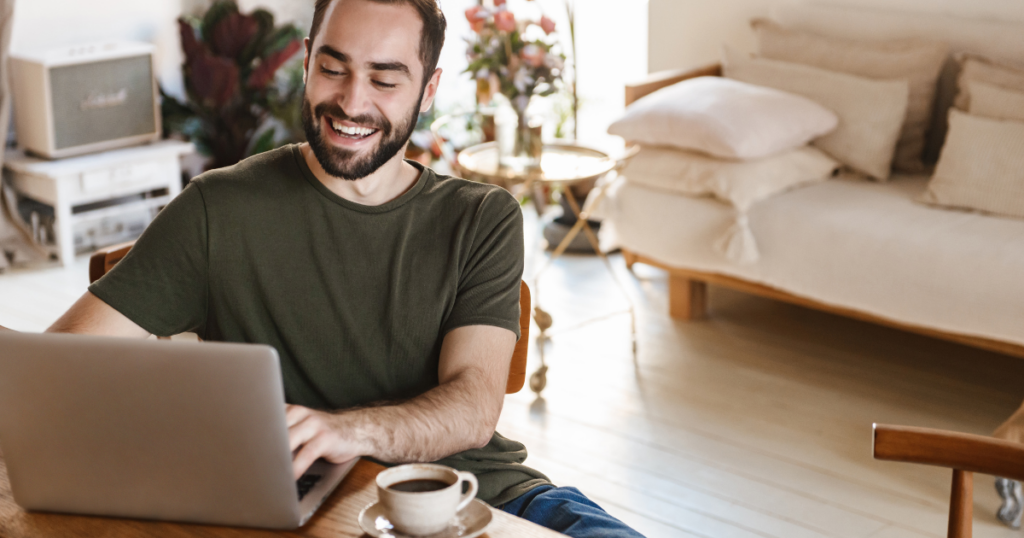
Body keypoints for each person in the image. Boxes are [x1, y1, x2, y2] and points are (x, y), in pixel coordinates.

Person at [46, 0, 644, 536]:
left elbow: (473, 409)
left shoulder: (482, 217)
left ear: (429, 90)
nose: (352, 103)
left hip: (487, 498)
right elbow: (58, 369)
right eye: (334, 69)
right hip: (298, 508)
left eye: (385, 79)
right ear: (306, 62)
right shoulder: (216, 209)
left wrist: (348, 432)